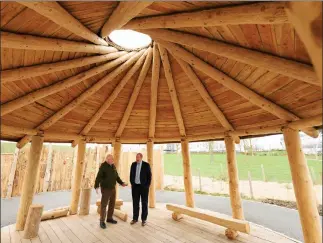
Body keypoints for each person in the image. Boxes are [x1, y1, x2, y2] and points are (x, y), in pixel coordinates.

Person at [94, 154, 127, 229]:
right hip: (105, 189)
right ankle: (102, 221)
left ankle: (109, 218)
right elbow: (98, 177)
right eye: (111, 159)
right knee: (104, 205)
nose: (112, 160)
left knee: (112, 204)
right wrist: (96, 186)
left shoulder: (113, 166)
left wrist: (122, 183)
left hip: (113, 188)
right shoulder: (103, 166)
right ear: (107, 159)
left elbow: (116, 177)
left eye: (112, 159)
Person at [129, 153, 152, 226]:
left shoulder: (146, 165)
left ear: (141, 157)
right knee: (135, 203)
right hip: (135, 187)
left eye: (138, 157)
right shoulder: (133, 164)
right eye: (136, 157)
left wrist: (147, 186)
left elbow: (149, 176)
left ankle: (144, 219)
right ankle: (135, 218)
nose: (137, 159)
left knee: (144, 203)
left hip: (144, 187)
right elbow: (131, 175)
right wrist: (132, 183)